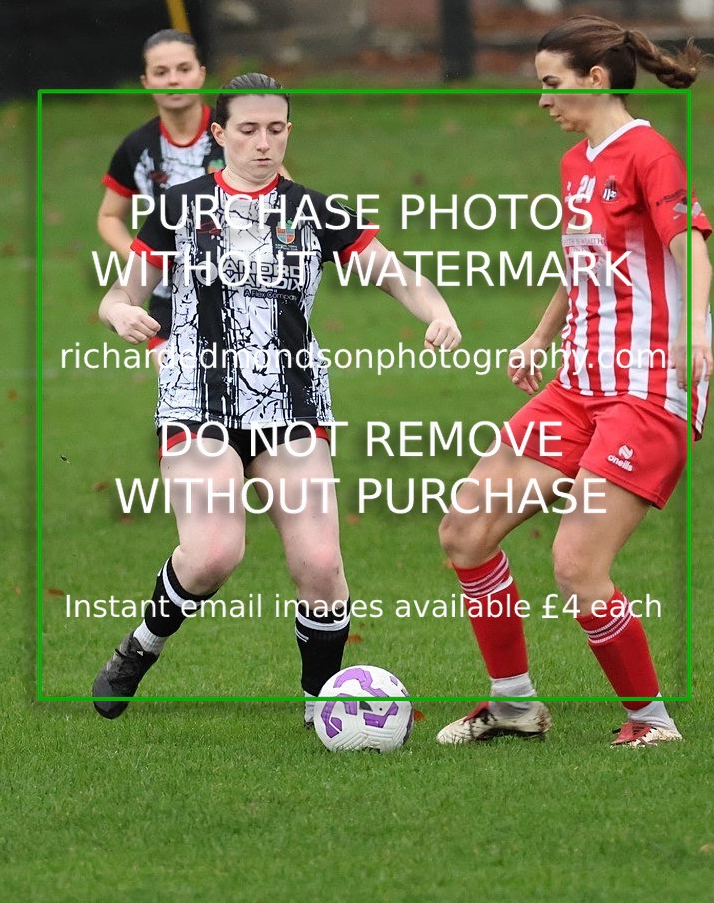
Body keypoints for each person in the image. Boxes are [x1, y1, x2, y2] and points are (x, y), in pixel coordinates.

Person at [92, 74, 461, 721]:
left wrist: (438, 312)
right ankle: (140, 647)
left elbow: (399, 277)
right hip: (195, 399)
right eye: (247, 130)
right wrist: (119, 315)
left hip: (289, 405)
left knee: (320, 565)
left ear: (287, 130)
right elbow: (120, 294)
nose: (263, 143)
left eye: (275, 129)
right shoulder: (179, 206)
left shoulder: (315, 211)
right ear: (218, 135)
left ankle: (324, 707)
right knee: (212, 555)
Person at [436, 15, 713, 748]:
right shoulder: (575, 163)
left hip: (644, 390)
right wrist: (539, 334)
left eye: (549, 84)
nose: (540, 100)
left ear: (595, 81)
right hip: (576, 384)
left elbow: (689, 246)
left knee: (575, 564)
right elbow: (583, 262)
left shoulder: (649, 154)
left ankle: (651, 723)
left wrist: (694, 334)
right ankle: (512, 706)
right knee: (465, 531)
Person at [97, 29, 221, 362]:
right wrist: (141, 258)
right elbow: (109, 216)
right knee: (180, 409)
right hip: (171, 301)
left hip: (241, 295)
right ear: (146, 81)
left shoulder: (237, 134)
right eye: (161, 73)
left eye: (184, 69)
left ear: (201, 73)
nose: (174, 80)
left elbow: (286, 199)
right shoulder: (138, 147)